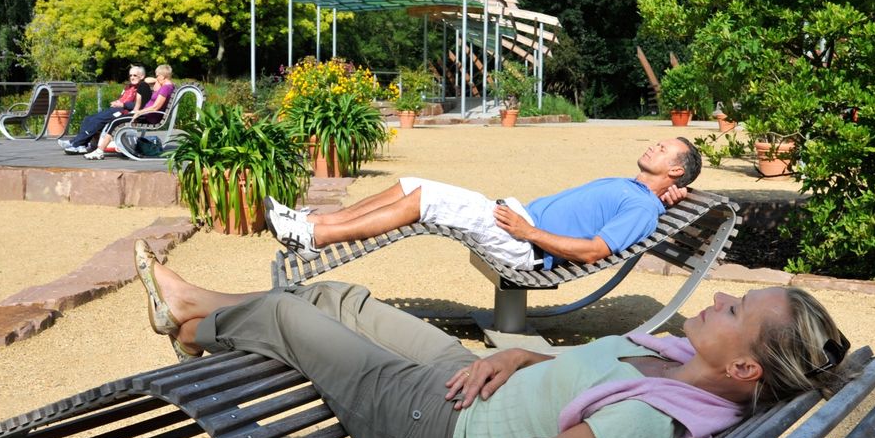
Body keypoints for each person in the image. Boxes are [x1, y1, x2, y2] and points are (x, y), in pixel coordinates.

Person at [133, 239, 852, 438]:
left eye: (738, 309)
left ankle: (190, 316)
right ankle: (194, 323)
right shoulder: (674, 355)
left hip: (435, 429)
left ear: (745, 368)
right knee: (340, 298)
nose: (721, 298)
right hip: (471, 380)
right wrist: (518, 356)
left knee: (292, 312)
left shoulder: (649, 422)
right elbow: (579, 377)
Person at [267, 138, 703, 268]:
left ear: (676, 170)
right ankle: (319, 222)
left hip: (526, 245)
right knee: (411, 182)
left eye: (664, 149)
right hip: (520, 223)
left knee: (427, 199)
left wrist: (528, 232)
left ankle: (314, 236)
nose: (655, 146)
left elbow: (594, 251)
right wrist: (667, 200)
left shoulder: (643, 208)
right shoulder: (643, 195)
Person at [84, 64, 175, 160]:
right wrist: (157, 80)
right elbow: (149, 81)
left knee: (115, 122)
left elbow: (156, 107)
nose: (156, 78)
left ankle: (99, 151)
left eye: (157, 76)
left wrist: (139, 112)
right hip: (147, 115)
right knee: (116, 121)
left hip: (147, 116)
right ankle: (105, 149)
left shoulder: (165, 88)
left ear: (162, 76)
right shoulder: (168, 86)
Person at [59, 65, 151, 154]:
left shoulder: (143, 87)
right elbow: (123, 98)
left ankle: (76, 144)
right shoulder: (129, 87)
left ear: (142, 76)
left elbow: (139, 105)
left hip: (124, 112)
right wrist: (117, 102)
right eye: (130, 75)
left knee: (97, 120)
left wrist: (123, 104)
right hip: (116, 109)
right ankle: (79, 143)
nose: (132, 77)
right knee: (88, 118)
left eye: (135, 75)